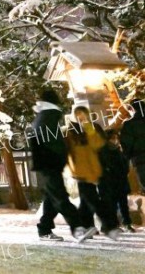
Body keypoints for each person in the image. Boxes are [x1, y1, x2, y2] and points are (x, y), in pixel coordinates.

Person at [28, 90, 95, 242]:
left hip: (48, 165)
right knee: (60, 198)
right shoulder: (47, 117)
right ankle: (78, 228)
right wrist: (60, 157)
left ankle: (44, 229)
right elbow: (51, 144)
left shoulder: (45, 117)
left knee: (51, 199)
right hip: (49, 165)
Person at [66, 106, 120, 240]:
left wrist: (88, 128)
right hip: (81, 172)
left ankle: (87, 226)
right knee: (92, 200)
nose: (81, 117)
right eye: (77, 114)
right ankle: (108, 226)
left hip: (95, 169)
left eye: (83, 114)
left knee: (88, 201)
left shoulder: (92, 128)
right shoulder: (70, 132)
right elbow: (70, 153)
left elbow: (99, 145)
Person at [99, 130, 135, 233]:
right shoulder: (104, 151)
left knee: (123, 204)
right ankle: (110, 225)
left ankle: (127, 223)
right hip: (110, 183)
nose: (115, 140)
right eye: (112, 138)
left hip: (121, 182)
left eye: (116, 138)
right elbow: (105, 167)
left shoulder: (120, 150)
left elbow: (126, 166)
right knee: (111, 205)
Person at [120, 99, 145, 194]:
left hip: (141, 160)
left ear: (132, 109)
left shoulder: (129, 125)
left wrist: (126, 158)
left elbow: (127, 144)